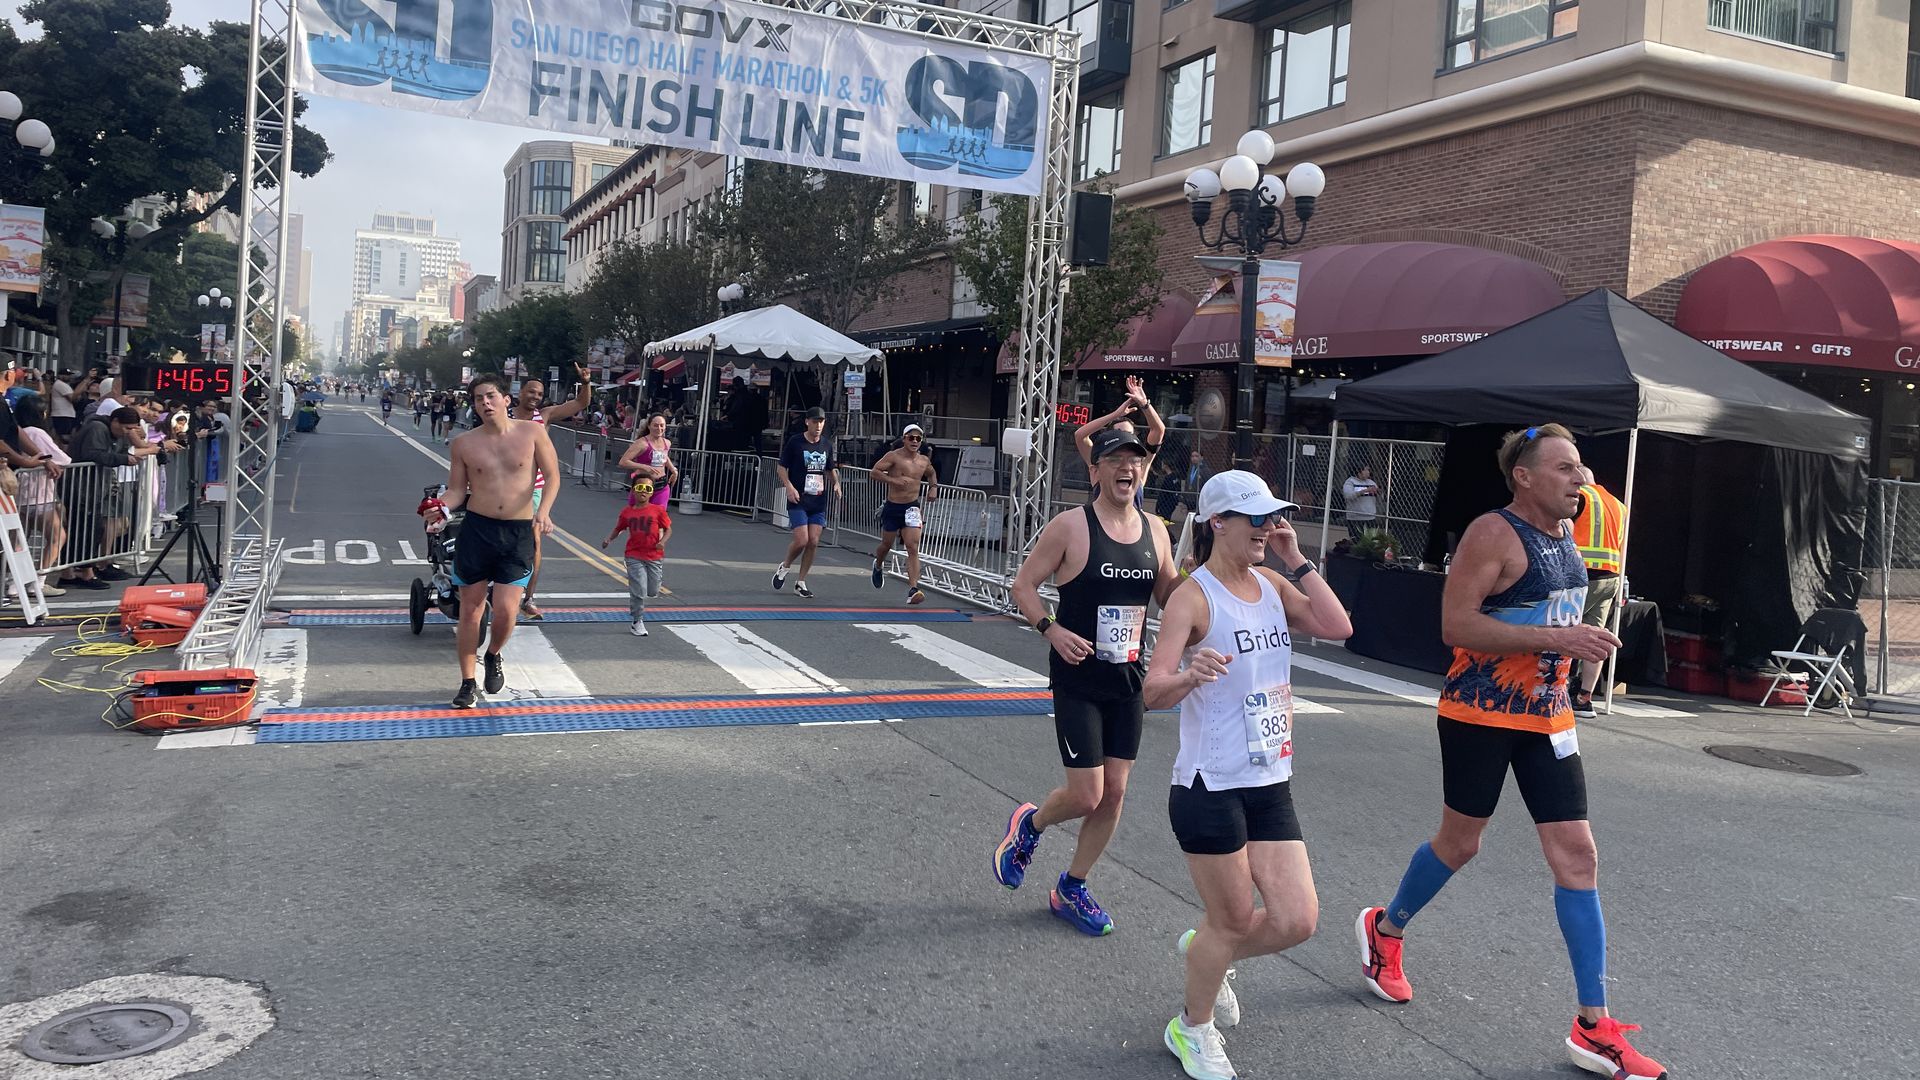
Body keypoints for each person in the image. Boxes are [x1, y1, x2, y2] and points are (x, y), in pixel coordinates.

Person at [1354, 424, 1666, 1080]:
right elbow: (1455, 624)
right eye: (1563, 468)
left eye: (1580, 467)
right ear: (1524, 476)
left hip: (1548, 721)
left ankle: (1593, 1025)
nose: (1579, 479)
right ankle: (1386, 927)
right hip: (1480, 714)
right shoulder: (1492, 534)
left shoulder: (1568, 534)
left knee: (1578, 855)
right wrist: (1555, 635)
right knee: (1461, 843)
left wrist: (1574, 645)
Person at [1144, 471, 1352, 1080]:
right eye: (1254, 519)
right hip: (1209, 783)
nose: (1266, 528)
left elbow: (1338, 628)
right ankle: (1192, 1027)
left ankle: (1210, 950)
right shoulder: (1193, 597)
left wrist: (1298, 559)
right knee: (1232, 919)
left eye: (1271, 517)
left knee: (1297, 920)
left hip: (1268, 778)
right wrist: (1188, 674)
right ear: (1218, 524)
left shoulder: (1271, 583)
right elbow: (1153, 691)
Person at [994, 428, 1180, 935]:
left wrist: (1212, 587)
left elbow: (1172, 596)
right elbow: (1023, 586)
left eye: (1136, 460)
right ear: (1095, 470)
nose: (1128, 468)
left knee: (1115, 792)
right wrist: (1050, 630)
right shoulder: (1070, 527)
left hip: (1128, 679)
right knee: (1086, 794)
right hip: (1078, 676)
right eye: (1116, 459)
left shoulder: (1156, 531)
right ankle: (1029, 826)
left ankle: (1072, 886)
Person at [418, 374, 559, 709]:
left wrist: (545, 512)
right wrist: (439, 509)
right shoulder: (464, 444)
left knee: (508, 610)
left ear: (506, 399)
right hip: (478, 530)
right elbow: (455, 491)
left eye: (492, 395)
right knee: (470, 610)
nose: (486, 402)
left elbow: (552, 476)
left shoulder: (533, 433)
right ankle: (468, 682)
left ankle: (493, 654)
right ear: (475, 405)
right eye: (479, 398)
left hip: (518, 531)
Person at [510, 363, 591, 619]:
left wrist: (586, 382)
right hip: (502, 489)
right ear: (520, 392)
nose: (535, 397)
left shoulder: (543, 416)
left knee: (533, 544)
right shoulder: (504, 415)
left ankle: (528, 599)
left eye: (539, 394)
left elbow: (580, 404)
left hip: (532, 491)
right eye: (531, 392)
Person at [1569, 465, 1626, 719]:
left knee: (1563, 630)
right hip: (1611, 577)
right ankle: (1584, 698)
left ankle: (1555, 689)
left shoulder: (1580, 497)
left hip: (1584, 574)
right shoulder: (1618, 505)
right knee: (1595, 638)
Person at [772, 406, 839, 599]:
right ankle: (785, 566)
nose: (818, 425)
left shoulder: (826, 445)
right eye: (815, 421)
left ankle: (800, 582)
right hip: (798, 498)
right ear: (807, 422)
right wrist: (789, 487)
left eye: (821, 422)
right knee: (802, 540)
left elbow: (830, 468)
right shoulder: (796, 442)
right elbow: (781, 468)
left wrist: (836, 484)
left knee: (814, 541)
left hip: (818, 499)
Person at [868, 423, 939, 606]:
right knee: (886, 545)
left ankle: (913, 589)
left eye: (918, 438)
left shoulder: (923, 460)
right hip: (893, 507)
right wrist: (893, 480)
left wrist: (933, 488)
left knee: (912, 546)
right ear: (904, 438)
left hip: (912, 507)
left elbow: (931, 473)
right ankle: (878, 565)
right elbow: (874, 472)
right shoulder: (894, 456)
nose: (915, 441)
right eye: (911, 438)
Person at [10, 395, 74, 595]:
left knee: (18, 540)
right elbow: (63, 458)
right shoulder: (37, 433)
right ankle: (38, 581)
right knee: (57, 536)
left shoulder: (14, 431)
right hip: (38, 494)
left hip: (18, 494)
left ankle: (14, 583)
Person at [1075, 375, 1166, 503]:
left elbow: (1158, 430)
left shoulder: (1141, 462)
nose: (1123, 438)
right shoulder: (1100, 461)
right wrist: (1115, 414)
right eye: (1119, 433)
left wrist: (1144, 404)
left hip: (1132, 522)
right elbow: (1080, 436)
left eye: (1128, 433)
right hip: (1102, 522)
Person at [602, 476, 671, 637]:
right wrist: (608, 539)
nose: (643, 492)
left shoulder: (658, 510)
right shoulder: (627, 512)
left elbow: (668, 529)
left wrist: (662, 542)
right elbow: (619, 528)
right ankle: (637, 621)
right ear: (633, 490)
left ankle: (642, 608)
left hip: (654, 556)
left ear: (652, 492)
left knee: (653, 591)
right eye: (640, 488)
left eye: (647, 489)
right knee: (639, 590)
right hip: (633, 555)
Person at [616, 413, 679, 509]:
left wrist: (673, 470)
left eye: (662, 425)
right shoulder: (642, 443)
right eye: (655, 425)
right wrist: (644, 466)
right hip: (642, 485)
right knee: (637, 517)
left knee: (657, 517)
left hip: (661, 485)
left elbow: (664, 457)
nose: (659, 428)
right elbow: (623, 462)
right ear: (649, 426)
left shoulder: (667, 443)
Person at [1341, 464, 1380, 539]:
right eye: (1366, 470)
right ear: (1359, 472)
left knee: (1371, 540)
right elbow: (1348, 496)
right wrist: (1364, 491)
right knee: (1357, 540)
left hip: (1370, 516)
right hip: (1356, 517)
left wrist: (1377, 491)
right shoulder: (1350, 482)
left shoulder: (1371, 482)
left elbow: (1379, 495)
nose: (1368, 472)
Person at [48, 369, 81, 440]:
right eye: (66, 375)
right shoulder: (60, 384)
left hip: (65, 414)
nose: (69, 377)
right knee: (64, 438)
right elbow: (73, 398)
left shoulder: (65, 385)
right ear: (60, 375)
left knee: (62, 436)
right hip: (63, 414)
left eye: (69, 375)